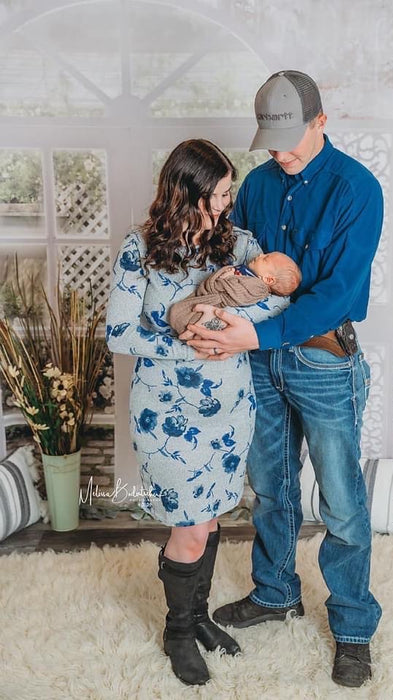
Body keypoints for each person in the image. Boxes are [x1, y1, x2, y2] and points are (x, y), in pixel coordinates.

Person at [185, 70, 383, 688]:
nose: (279, 153)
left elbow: (337, 294)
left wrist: (255, 336)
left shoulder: (358, 189)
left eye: (290, 139)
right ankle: (275, 592)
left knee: (342, 502)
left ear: (321, 121)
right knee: (270, 487)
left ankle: (353, 627)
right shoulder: (257, 185)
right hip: (257, 362)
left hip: (323, 361)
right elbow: (237, 263)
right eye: (270, 142)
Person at [106, 139, 290, 687]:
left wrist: (232, 326)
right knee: (189, 526)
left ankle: (198, 616)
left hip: (229, 409)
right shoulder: (140, 248)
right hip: (166, 414)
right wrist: (193, 344)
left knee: (208, 519)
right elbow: (119, 332)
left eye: (230, 192)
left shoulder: (239, 243)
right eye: (220, 194)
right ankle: (178, 632)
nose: (227, 203)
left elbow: (278, 297)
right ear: (185, 193)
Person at [169, 251, 301, 337]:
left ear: (269, 280)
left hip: (218, 301)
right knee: (185, 311)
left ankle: (191, 331)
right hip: (214, 297)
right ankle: (191, 331)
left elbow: (236, 294)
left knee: (184, 314)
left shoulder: (258, 287)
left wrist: (227, 278)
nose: (260, 255)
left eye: (265, 259)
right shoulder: (249, 274)